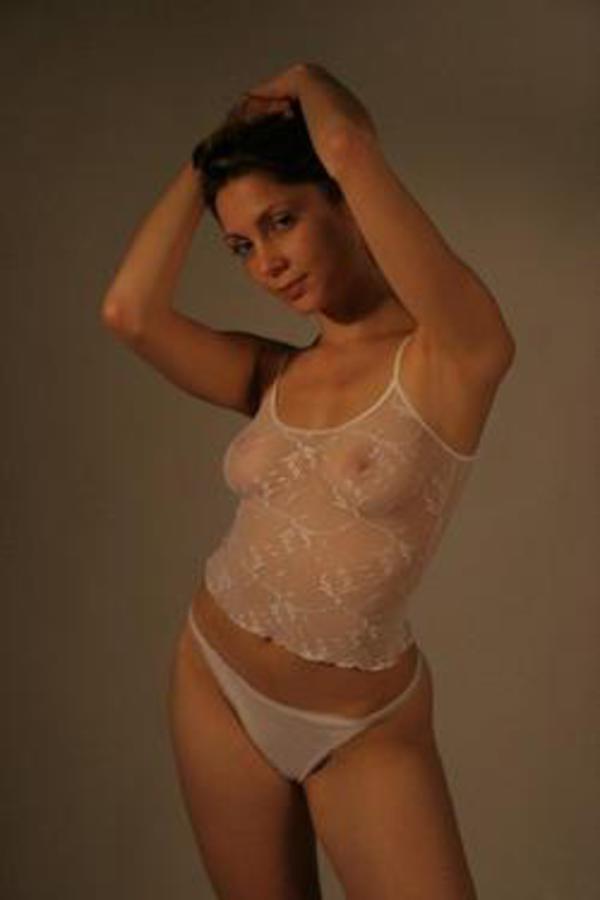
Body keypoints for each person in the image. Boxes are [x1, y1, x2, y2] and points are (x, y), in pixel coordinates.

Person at [101, 63, 515, 900]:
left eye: (282, 221)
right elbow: (130, 313)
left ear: (344, 203)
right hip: (214, 680)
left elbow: (348, 144)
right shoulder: (275, 372)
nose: (267, 264)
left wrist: (300, 81)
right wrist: (206, 161)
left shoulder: (456, 355)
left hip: (362, 727)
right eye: (242, 247)